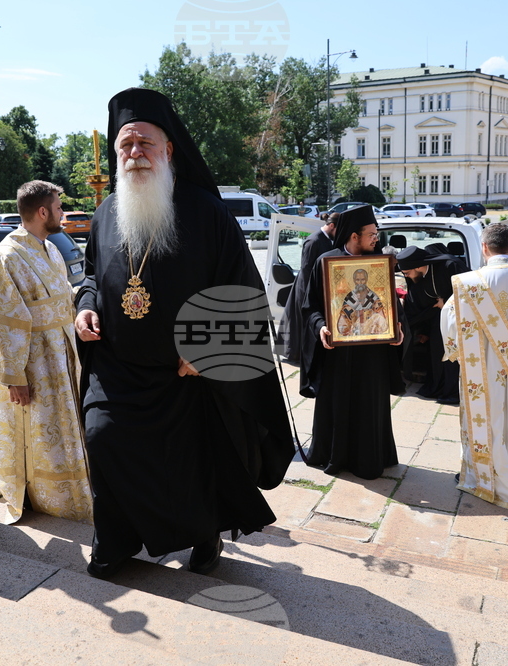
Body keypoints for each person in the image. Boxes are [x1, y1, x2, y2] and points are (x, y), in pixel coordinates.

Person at [74, 88, 293, 579]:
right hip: (118, 369)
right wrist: (85, 307)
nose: (134, 153)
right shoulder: (107, 212)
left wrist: (207, 348)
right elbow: (91, 277)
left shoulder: (206, 212)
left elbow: (242, 288)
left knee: (191, 465)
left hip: (185, 373)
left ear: (169, 150)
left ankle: (205, 534)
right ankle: (114, 541)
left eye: (145, 143)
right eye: (125, 145)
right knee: (102, 438)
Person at [0, 181, 93, 525]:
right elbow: (3, 319)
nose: (63, 213)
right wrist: (14, 376)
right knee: (42, 429)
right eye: (59, 207)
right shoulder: (7, 256)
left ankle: (79, 489)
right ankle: (48, 499)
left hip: (63, 352)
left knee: (67, 426)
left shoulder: (50, 248)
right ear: (43, 212)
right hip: (35, 362)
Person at [440, 223, 508, 509]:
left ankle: (485, 481)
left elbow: (449, 322)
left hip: (479, 369)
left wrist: (455, 350)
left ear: (484, 247)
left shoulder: (468, 282)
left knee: (484, 423)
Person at [301, 205, 405, 479]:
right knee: (337, 403)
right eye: (371, 234)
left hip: (373, 354)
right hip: (337, 355)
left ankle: (370, 459)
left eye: (376, 233)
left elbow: (390, 307)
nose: (376, 238)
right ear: (354, 236)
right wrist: (321, 327)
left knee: (368, 405)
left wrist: (397, 330)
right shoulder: (326, 262)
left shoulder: (379, 264)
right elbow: (309, 307)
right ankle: (332, 455)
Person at [395, 245, 468, 404]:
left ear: (418, 266)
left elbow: (470, 291)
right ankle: (438, 387)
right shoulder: (417, 277)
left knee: (453, 357)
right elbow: (417, 305)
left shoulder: (450, 265)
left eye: (407, 272)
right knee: (437, 353)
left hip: (459, 321)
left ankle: (454, 392)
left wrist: (448, 302)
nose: (406, 276)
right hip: (437, 320)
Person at [278, 212, 336, 366]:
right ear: (331, 226)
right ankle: (295, 354)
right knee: (299, 324)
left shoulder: (325, 239)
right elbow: (306, 270)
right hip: (305, 288)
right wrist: (308, 294)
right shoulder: (313, 241)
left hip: (314, 287)